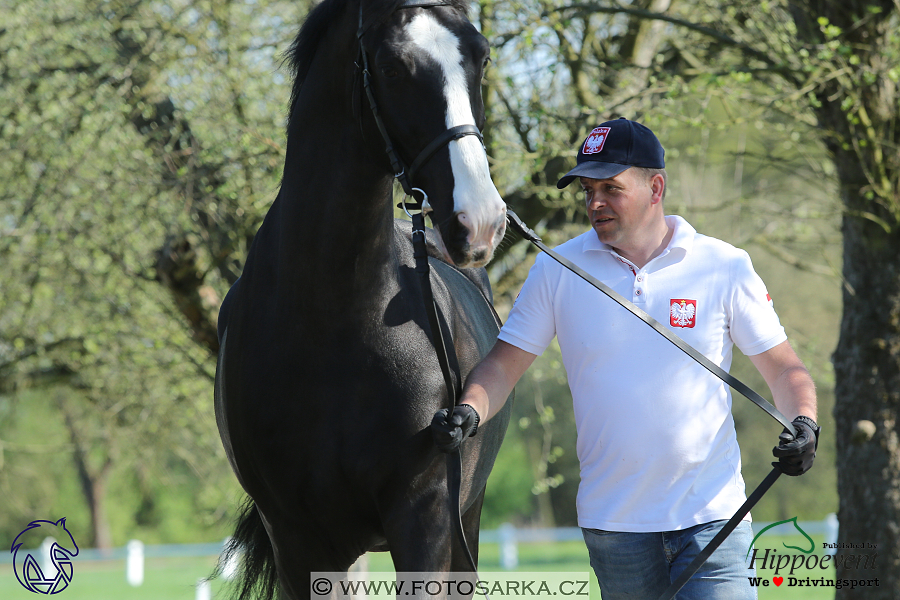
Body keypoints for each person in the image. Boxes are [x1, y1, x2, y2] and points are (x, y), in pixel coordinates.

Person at [431, 118, 819, 600]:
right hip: (614, 529)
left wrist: (804, 422)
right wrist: (469, 411)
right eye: (587, 189)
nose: (595, 203)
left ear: (656, 187)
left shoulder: (722, 265)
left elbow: (784, 367)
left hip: (713, 517)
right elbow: (502, 365)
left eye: (611, 188)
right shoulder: (556, 268)